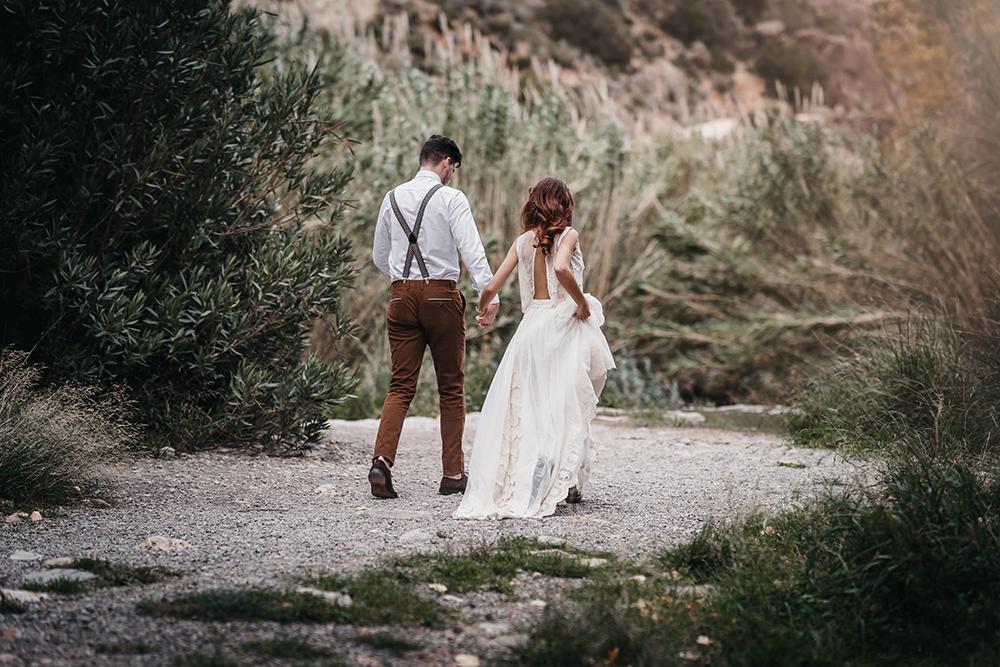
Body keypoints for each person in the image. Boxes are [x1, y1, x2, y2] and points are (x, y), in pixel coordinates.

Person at [454, 177, 615, 519]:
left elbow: (491, 285)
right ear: (563, 204)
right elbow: (560, 267)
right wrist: (581, 304)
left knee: (530, 406)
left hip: (530, 329)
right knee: (565, 401)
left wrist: (485, 308)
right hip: (561, 324)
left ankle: (544, 478)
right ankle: (563, 481)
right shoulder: (568, 235)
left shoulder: (522, 242)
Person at [368, 135, 499, 499]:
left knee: (400, 386)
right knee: (451, 388)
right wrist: (488, 295)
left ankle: (381, 461)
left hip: (401, 296)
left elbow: (380, 255)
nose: (452, 175)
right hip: (441, 296)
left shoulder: (391, 197)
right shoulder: (451, 198)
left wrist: (404, 281)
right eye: (453, 168)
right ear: (445, 163)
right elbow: (472, 251)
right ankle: (453, 474)